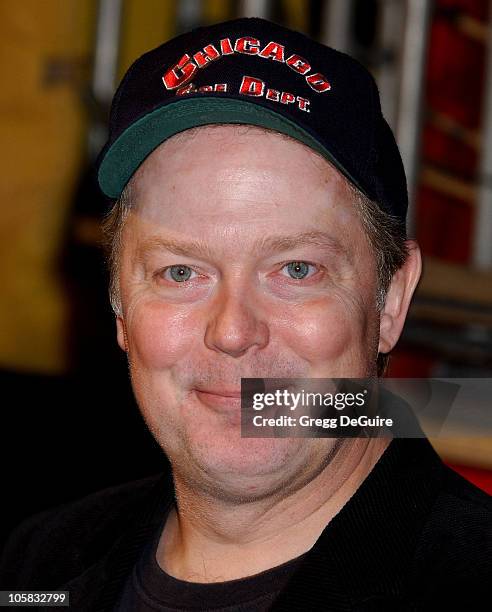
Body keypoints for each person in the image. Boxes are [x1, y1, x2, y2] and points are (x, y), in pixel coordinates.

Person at [1, 17, 490, 612]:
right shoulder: (39, 565)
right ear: (119, 304)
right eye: (181, 272)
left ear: (391, 299)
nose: (233, 332)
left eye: (296, 270)